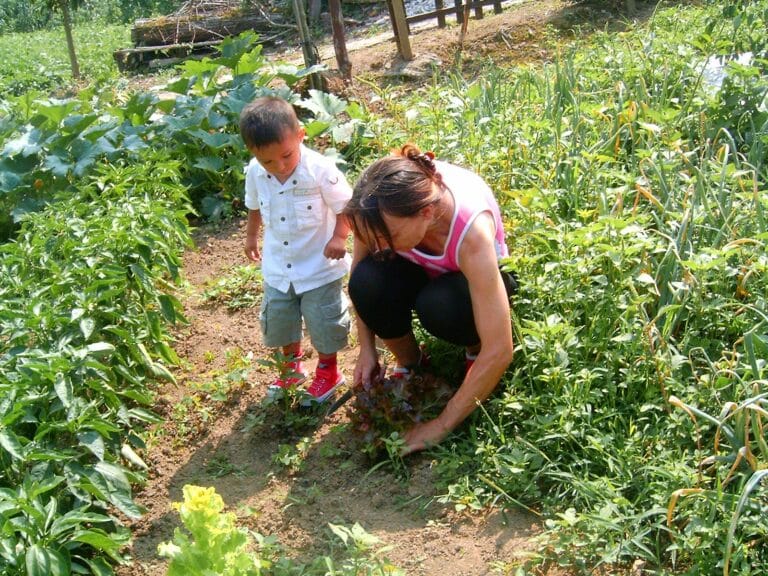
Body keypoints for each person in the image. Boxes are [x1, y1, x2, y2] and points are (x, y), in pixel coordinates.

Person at [344, 144, 517, 453]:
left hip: (469, 286)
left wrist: (438, 426)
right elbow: (359, 275)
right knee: (368, 281)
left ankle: (473, 351)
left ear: (426, 213)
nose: (379, 247)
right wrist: (366, 349)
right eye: (372, 239)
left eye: (388, 239)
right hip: (423, 270)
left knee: (440, 305)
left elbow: (501, 349)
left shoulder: (471, 232)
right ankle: (413, 365)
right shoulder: (375, 207)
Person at [240, 96, 352, 403]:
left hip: (319, 266)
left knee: (323, 320)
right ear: (253, 153)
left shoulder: (320, 169)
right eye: (268, 161)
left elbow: (346, 207)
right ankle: (291, 367)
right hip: (279, 267)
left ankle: (329, 372)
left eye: (287, 156)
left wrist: (339, 238)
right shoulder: (254, 172)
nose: (280, 166)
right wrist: (251, 237)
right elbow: (253, 206)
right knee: (280, 318)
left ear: (301, 135)